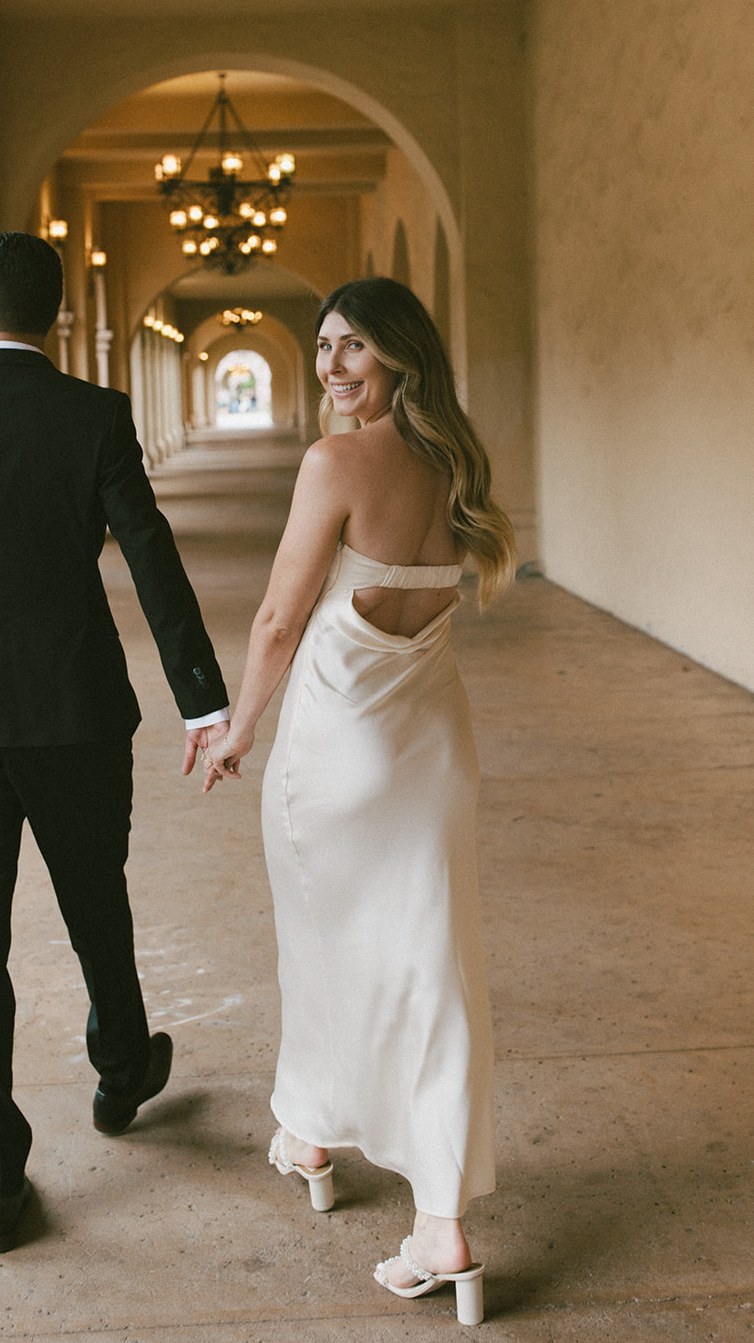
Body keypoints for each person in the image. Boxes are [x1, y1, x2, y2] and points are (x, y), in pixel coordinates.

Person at [0, 232, 229, 1254]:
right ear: (55, 315)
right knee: (93, 894)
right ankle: (120, 1069)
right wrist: (200, 695)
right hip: (75, 710)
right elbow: (150, 557)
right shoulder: (95, 416)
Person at [205, 277, 514, 1326]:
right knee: (432, 969)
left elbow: (279, 620)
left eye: (355, 350)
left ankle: (341, 1152)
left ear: (398, 357)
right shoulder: (453, 462)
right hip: (432, 748)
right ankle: (356, 1161)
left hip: (336, 757)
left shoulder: (335, 461)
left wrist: (238, 724)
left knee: (324, 944)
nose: (335, 366)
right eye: (325, 346)